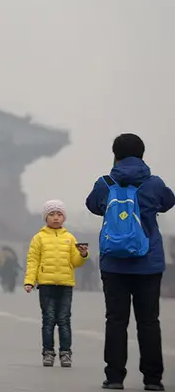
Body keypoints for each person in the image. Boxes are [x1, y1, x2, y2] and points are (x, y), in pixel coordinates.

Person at [85, 133, 174, 391]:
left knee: (115, 320)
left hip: (114, 263)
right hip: (148, 262)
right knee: (148, 321)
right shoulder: (154, 183)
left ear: (115, 154)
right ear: (142, 154)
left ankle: (114, 377)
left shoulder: (105, 183)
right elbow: (169, 201)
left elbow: (92, 205)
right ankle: (153, 379)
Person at [23, 200, 89, 368]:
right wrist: (30, 281)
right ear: (46, 217)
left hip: (66, 284)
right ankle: (48, 353)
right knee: (49, 319)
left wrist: (82, 255)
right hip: (46, 285)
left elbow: (75, 262)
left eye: (59, 214)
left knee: (64, 320)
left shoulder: (70, 238)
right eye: (52, 214)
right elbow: (33, 261)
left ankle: (66, 353)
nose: (56, 218)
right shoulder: (39, 238)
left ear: (64, 217)